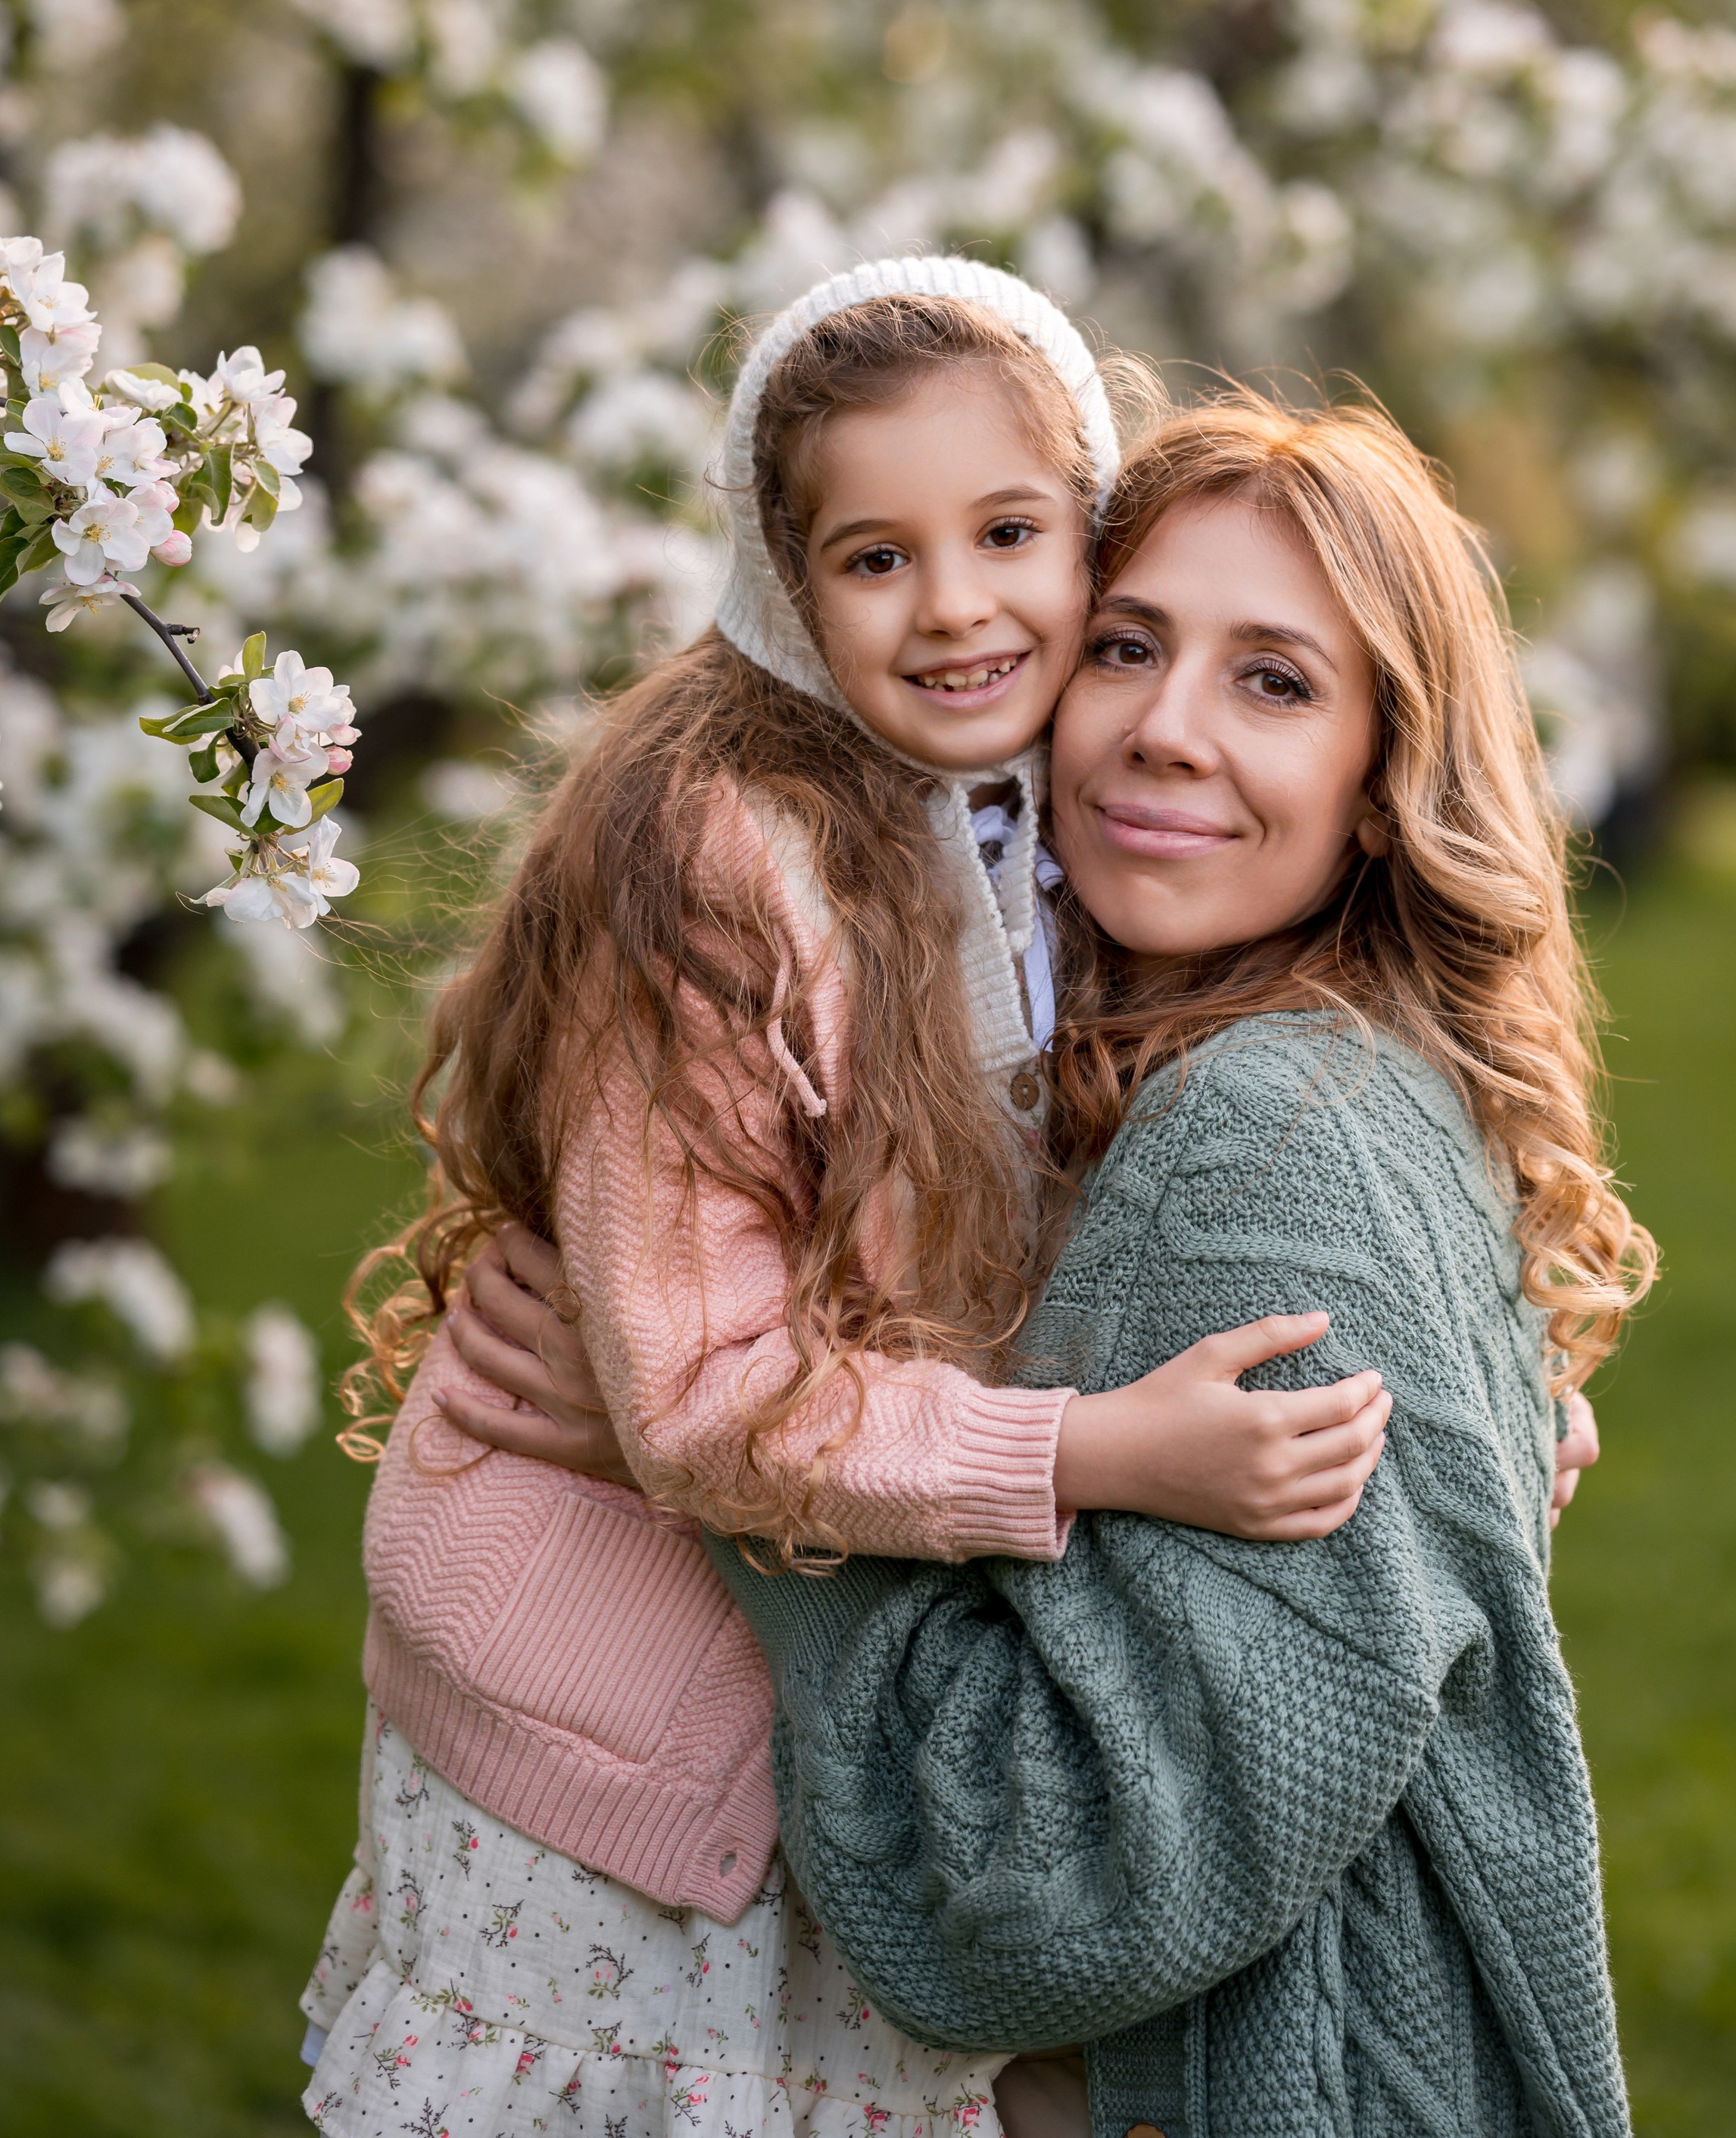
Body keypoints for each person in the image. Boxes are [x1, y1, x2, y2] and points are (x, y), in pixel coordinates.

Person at [302, 266, 1392, 2138]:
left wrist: (1463, 1363)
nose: (959, 604)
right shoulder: (725, 864)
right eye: (874, 557)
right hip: (620, 1745)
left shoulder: (1062, 814)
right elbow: (707, 1399)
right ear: (779, 584)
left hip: (837, 1666)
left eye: (1010, 534)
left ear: (1086, 534)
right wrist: (1097, 1454)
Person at [685, 394, 1657, 2138]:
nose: (1162, 732)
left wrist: (702, 1432)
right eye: (1127, 645)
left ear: (1383, 785)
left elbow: (1038, 1893)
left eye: (1273, 681)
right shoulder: (1297, 1076)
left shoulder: (1261, 1138)